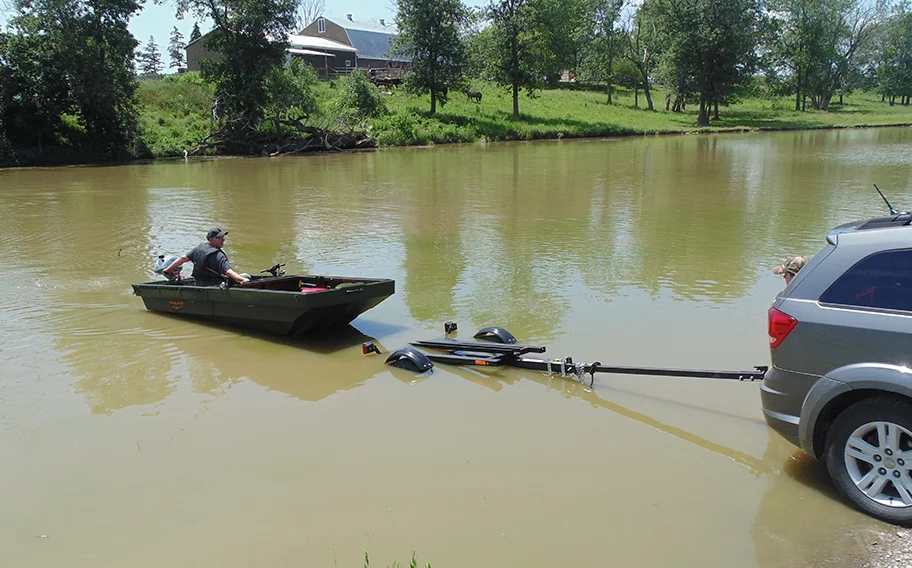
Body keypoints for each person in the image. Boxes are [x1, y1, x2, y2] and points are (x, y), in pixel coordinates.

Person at [163, 227, 249, 286]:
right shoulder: (218, 255)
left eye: (223, 237)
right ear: (211, 239)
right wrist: (242, 280)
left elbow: (182, 259)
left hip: (199, 285)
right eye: (219, 238)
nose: (223, 239)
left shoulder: (198, 248)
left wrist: (168, 270)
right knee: (246, 276)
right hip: (215, 286)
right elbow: (228, 272)